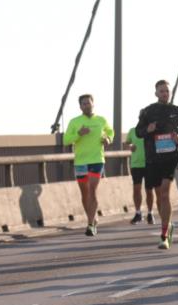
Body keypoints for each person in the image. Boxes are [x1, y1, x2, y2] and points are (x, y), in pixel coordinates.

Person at [135, 80, 178, 249]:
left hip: (171, 157)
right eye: (161, 91)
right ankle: (168, 224)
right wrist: (148, 130)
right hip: (153, 158)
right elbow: (138, 132)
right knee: (159, 196)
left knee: (165, 192)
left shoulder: (176, 110)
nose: (165, 93)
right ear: (156, 93)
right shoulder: (148, 111)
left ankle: (164, 234)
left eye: (167, 91)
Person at [63, 94, 114, 237]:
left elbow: (110, 132)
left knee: (92, 190)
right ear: (80, 106)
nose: (86, 105)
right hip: (80, 162)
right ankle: (92, 217)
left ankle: (90, 224)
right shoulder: (75, 122)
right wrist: (78, 134)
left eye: (88, 103)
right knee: (84, 193)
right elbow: (66, 140)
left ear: (93, 104)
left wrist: (108, 139)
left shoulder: (101, 120)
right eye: (84, 104)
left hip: (97, 159)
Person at [124, 124, 154, 224]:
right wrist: (130, 146)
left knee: (149, 190)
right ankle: (138, 213)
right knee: (136, 189)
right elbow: (126, 143)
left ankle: (150, 213)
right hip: (136, 164)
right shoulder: (132, 131)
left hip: (149, 163)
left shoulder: (151, 130)